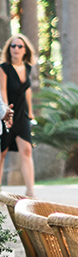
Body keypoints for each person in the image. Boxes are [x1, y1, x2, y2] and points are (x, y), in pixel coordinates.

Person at [0, 34, 35, 196]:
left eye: (20, 46)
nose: (16, 49)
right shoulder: (4, 68)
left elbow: (27, 90)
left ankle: (30, 190)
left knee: (27, 150)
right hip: (7, 114)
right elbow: (2, 90)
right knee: (2, 153)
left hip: (22, 115)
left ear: (25, 50)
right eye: (13, 46)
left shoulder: (27, 68)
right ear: (9, 49)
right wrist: (6, 111)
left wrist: (31, 111)